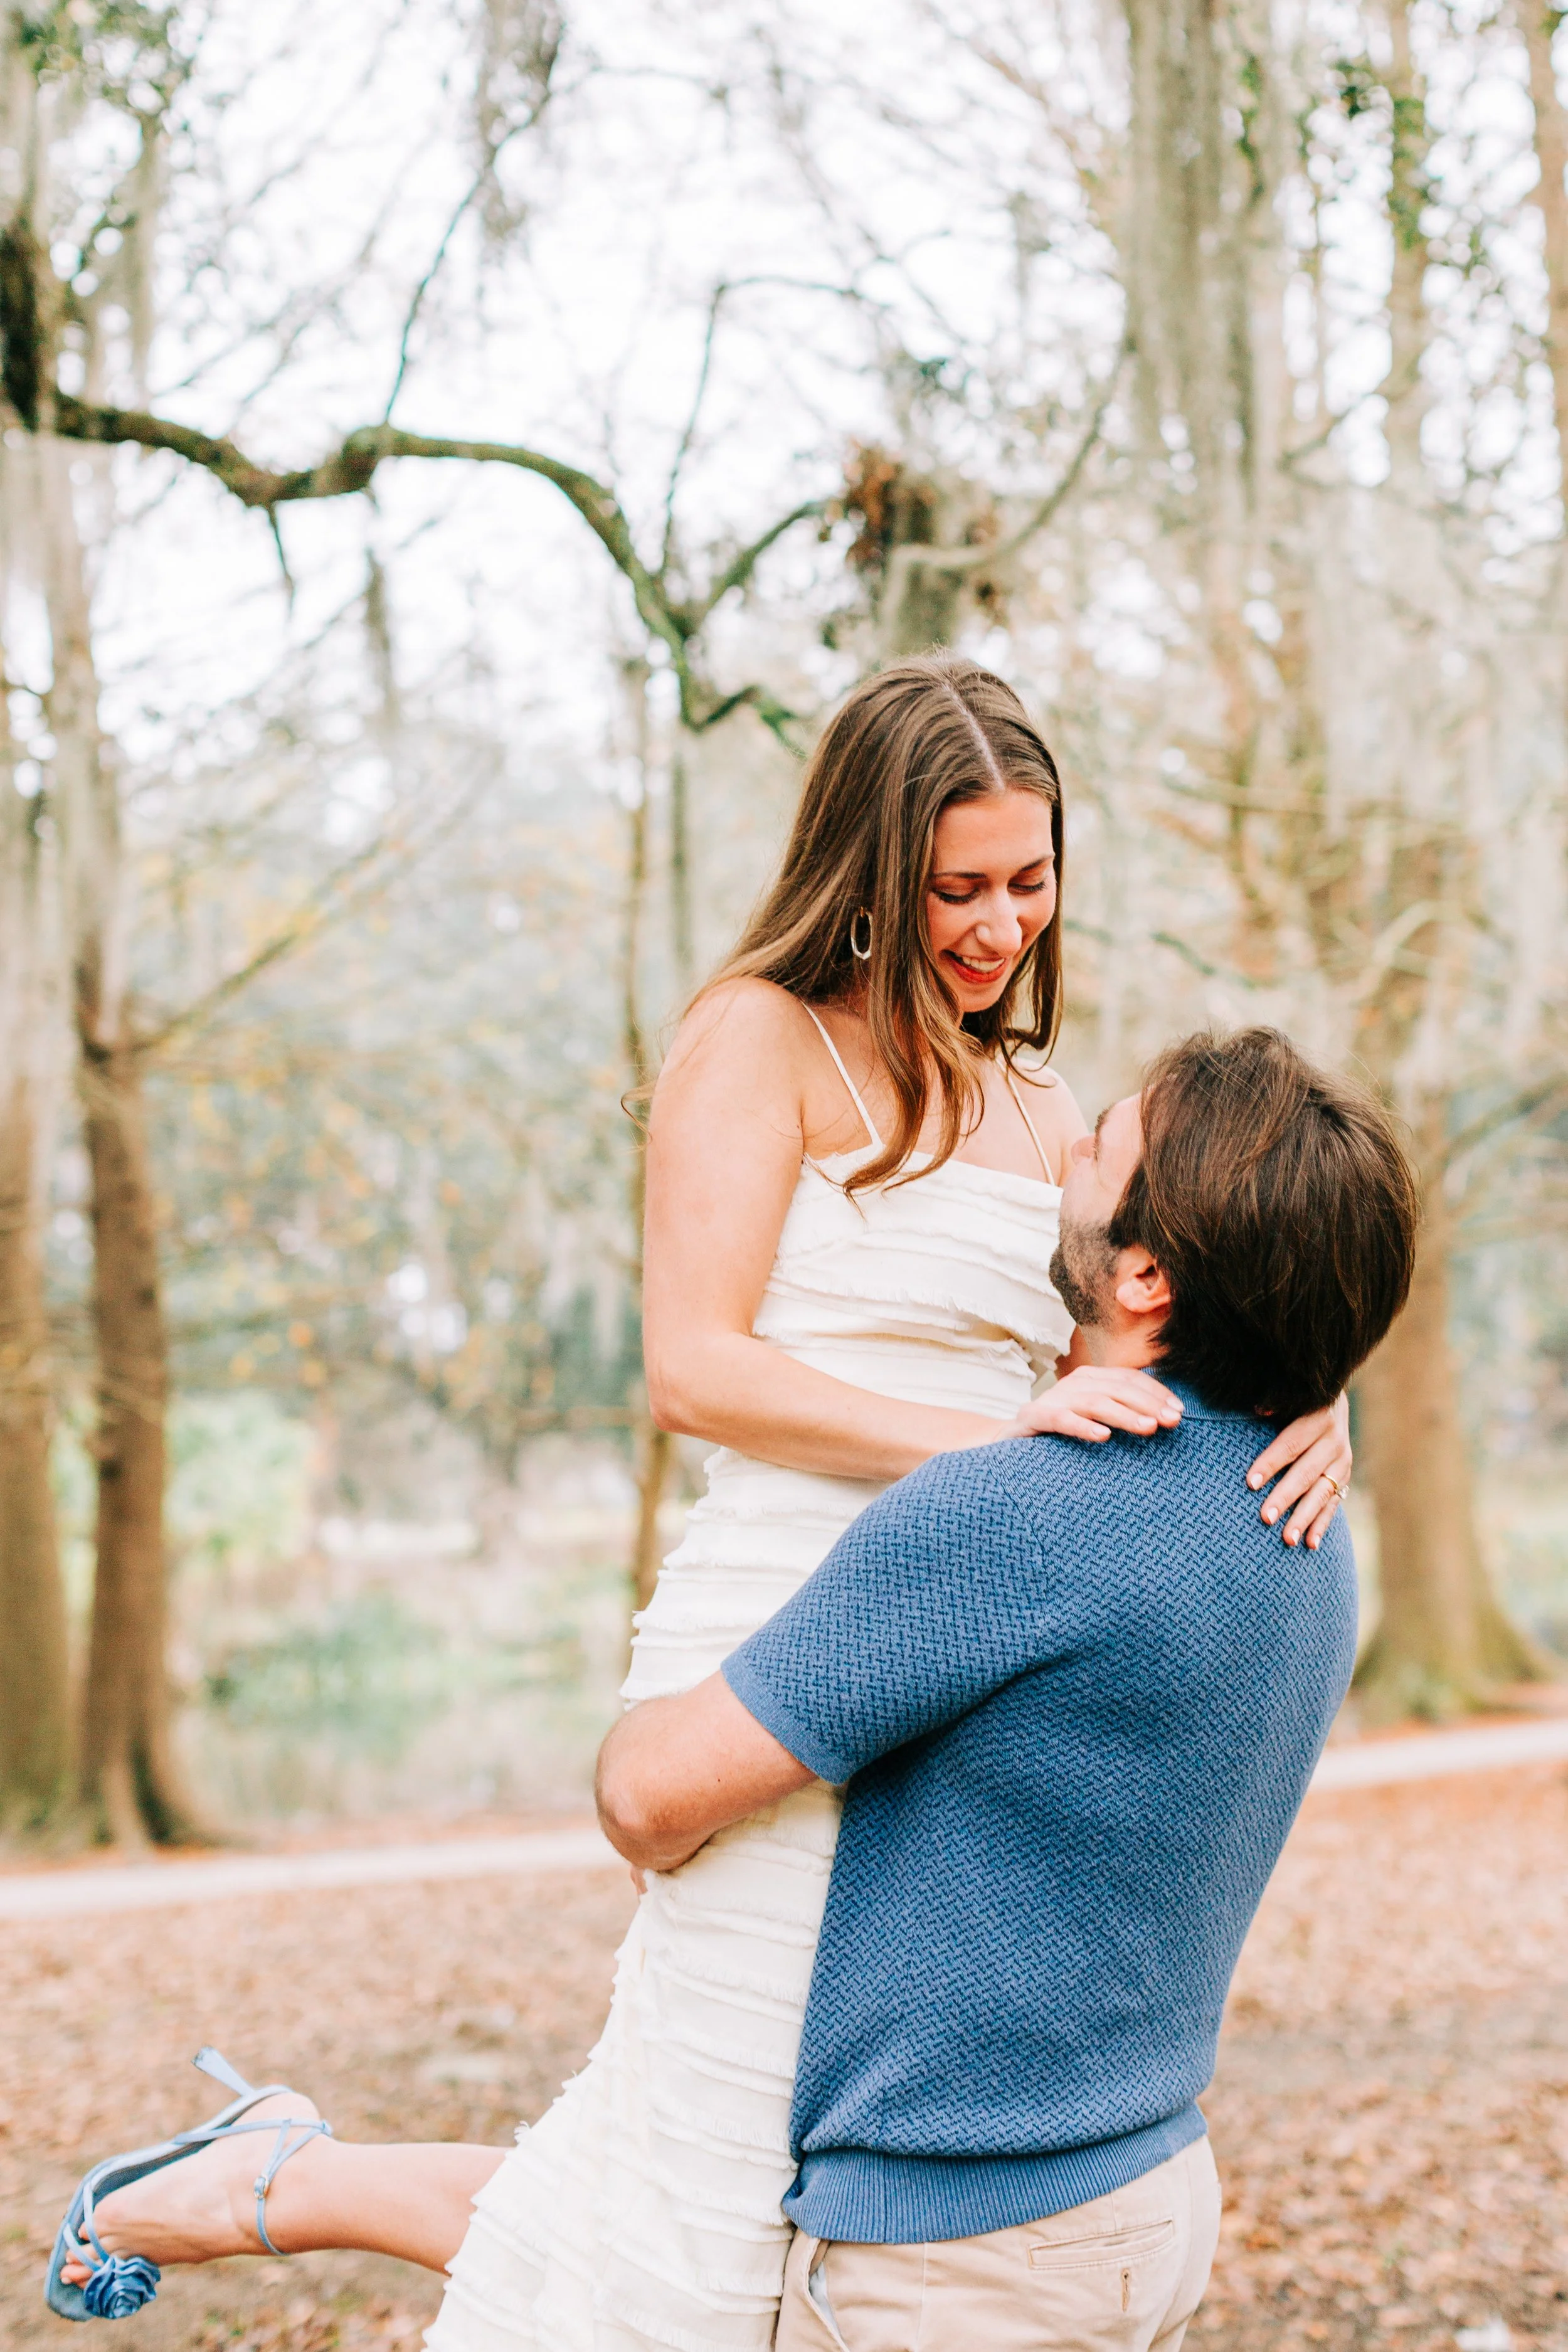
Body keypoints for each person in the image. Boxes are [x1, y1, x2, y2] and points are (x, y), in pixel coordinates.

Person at [49, 664, 1350, 2341]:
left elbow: (1190, 1285)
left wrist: (1319, 1393)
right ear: (868, 870)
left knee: (725, 2188)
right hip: (789, 1622)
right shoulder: (759, 1037)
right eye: (955, 887)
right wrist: (987, 1452)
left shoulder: (1044, 1107)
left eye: (1029, 881)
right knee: (708, 2194)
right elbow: (694, 1369)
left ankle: (274, 2170)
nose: (996, 924)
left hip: (971, 1672)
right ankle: (275, 2177)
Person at [595, 1025, 1421, 2352]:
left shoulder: (1016, 1516)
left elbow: (645, 1800)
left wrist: (653, 1696)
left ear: (1145, 1270)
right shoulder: (1308, 1514)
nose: (1066, 1145)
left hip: (961, 2261)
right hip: (1144, 2189)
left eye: (1103, 1141)